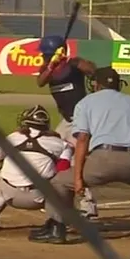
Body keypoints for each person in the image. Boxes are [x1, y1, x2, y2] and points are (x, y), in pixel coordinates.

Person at [29, 66, 130, 245]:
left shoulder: (86, 103)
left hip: (103, 159)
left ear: (96, 84)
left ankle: (56, 227)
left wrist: (79, 177)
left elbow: (82, 140)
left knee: (60, 181)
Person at [0, 105, 69, 229]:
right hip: (41, 197)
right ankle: (60, 221)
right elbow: (63, 170)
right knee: (63, 181)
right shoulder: (61, 144)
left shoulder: (11, 138)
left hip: (10, 195)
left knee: (0, 173)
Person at [36, 35, 100, 221]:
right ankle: (59, 199)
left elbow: (91, 69)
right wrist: (52, 65)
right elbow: (40, 81)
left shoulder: (74, 64)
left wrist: (65, 60)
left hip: (81, 121)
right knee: (53, 151)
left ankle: (88, 206)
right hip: (66, 121)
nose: (43, 57)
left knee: (75, 162)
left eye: (45, 54)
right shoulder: (48, 69)